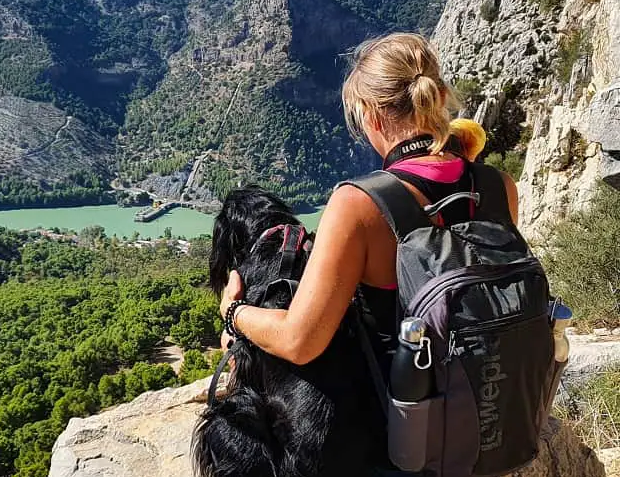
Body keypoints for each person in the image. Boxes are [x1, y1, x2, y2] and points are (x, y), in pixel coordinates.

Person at [218, 32, 518, 366]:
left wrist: (234, 311)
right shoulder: (498, 186)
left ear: (371, 116)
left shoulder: (359, 204)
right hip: (502, 394)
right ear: (441, 96)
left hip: (407, 410)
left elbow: (299, 341)